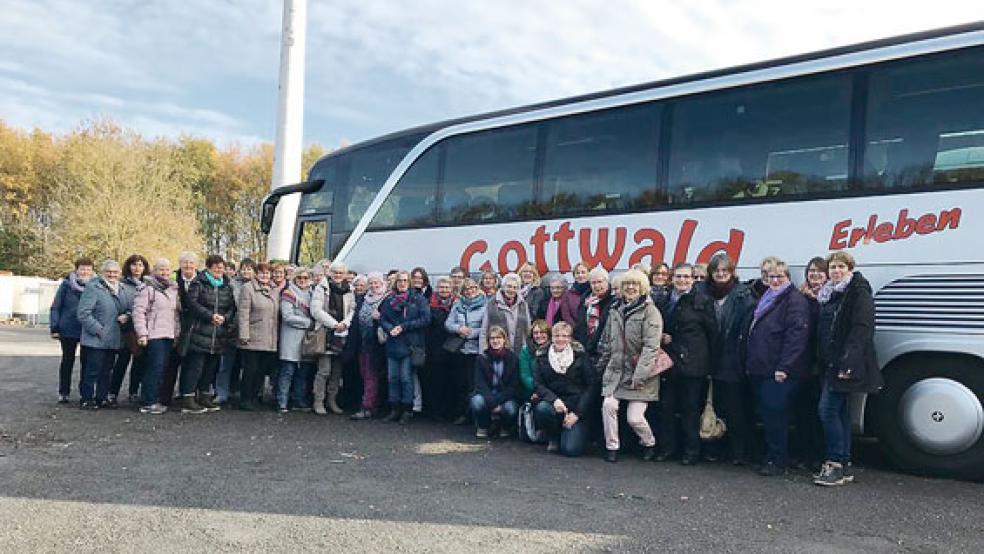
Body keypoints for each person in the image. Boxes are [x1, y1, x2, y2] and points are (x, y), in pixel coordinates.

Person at [814, 251, 882, 486]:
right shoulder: (832, 294)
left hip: (843, 363)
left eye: (841, 267)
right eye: (833, 267)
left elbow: (861, 330)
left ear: (850, 269)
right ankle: (843, 463)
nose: (836, 271)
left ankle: (834, 463)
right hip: (829, 362)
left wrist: (848, 363)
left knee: (827, 411)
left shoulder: (858, 293)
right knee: (840, 411)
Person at [744, 258, 810, 476]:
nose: (774, 280)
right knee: (768, 414)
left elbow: (797, 336)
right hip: (762, 367)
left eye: (779, 276)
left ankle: (777, 460)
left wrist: (784, 366)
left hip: (778, 370)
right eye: (771, 277)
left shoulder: (793, 300)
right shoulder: (769, 296)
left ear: (788, 278)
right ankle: (772, 456)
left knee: (776, 416)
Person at [596, 269, 662, 462]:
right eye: (627, 284)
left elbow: (651, 347)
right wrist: (601, 366)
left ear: (642, 287)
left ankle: (649, 442)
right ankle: (612, 447)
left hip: (641, 373)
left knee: (634, 418)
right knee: (608, 405)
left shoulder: (651, 311)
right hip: (616, 371)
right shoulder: (614, 310)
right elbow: (608, 342)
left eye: (635, 284)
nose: (630, 288)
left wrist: (640, 375)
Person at [658, 263, 718, 465]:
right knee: (666, 407)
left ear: (693, 279)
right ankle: (668, 449)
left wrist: (708, 364)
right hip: (668, 362)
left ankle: (691, 452)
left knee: (689, 409)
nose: (682, 280)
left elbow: (712, 334)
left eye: (686, 277)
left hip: (692, 363)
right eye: (678, 276)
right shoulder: (665, 300)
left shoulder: (702, 301)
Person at [705, 253, 756, 465]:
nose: (721, 274)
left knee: (736, 409)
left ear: (732, 272)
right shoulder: (703, 293)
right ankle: (715, 448)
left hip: (733, 359)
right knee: (714, 407)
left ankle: (739, 452)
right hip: (710, 358)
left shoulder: (743, 295)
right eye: (717, 271)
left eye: (725, 271)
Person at [180, 255, 237, 414]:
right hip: (200, 330)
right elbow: (192, 303)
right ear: (208, 268)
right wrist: (209, 316)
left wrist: (225, 318)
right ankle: (188, 397)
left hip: (218, 333)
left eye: (221, 267)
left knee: (211, 367)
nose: (219, 270)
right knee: (195, 366)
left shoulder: (227, 285)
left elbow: (232, 307)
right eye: (216, 267)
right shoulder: (198, 283)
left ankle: (204, 395)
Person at [534, 321, 595, 456]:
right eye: (557, 336)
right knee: (542, 409)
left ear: (570, 338)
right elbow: (538, 384)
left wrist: (577, 414)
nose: (561, 339)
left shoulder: (580, 356)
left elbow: (591, 386)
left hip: (576, 406)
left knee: (571, 450)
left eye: (565, 336)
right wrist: (554, 400)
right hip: (554, 403)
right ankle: (553, 435)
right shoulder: (542, 356)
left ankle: (570, 432)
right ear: (552, 337)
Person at [379, 270, 431, 424]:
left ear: (409, 282)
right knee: (392, 378)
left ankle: (407, 410)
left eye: (405, 281)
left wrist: (404, 326)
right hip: (393, 343)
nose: (402, 283)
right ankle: (394, 408)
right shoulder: (389, 300)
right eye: (399, 281)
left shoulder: (418, 299)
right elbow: (383, 318)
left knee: (406, 379)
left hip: (410, 344)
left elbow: (426, 319)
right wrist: (390, 328)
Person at [793, 256, 829, 470]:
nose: (814, 275)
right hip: (801, 362)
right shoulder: (799, 297)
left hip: (820, 362)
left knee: (820, 413)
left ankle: (820, 455)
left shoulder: (829, 297)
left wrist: (815, 301)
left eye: (819, 272)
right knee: (802, 412)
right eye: (811, 271)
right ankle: (804, 455)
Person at [131, 258, 180, 415]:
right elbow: (138, 312)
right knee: (154, 367)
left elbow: (175, 314)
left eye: (167, 270)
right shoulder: (147, 288)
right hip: (153, 335)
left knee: (162, 368)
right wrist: (142, 333)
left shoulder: (173, 289)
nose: (164, 273)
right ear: (154, 271)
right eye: (161, 269)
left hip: (169, 334)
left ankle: (156, 398)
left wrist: (177, 333)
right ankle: (148, 401)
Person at [77, 260, 126, 409]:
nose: (112, 274)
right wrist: (98, 330)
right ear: (102, 272)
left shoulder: (122, 289)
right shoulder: (93, 288)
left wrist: (127, 316)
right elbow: (83, 313)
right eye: (108, 272)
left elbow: (128, 308)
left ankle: (102, 397)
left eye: (115, 272)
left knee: (107, 371)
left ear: (120, 274)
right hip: (95, 339)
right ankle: (86, 398)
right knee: (92, 370)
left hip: (113, 338)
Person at [311, 260, 356, 415]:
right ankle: (318, 401)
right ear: (330, 273)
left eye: (341, 273)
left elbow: (352, 309)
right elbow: (316, 310)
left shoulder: (350, 289)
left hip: (342, 333)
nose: (338, 275)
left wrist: (344, 323)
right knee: (324, 370)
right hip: (326, 333)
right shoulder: (321, 287)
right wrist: (334, 324)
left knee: (337, 371)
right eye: (335, 272)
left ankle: (332, 400)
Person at [236, 262, 279, 412]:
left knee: (261, 370)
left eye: (267, 273)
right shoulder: (247, 289)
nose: (264, 276)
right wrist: (244, 334)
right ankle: (245, 399)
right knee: (250, 370)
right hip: (252, 335)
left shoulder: (275, 290)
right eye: (261, 273)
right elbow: (243, 313)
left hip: (268, 337)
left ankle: (254, 397)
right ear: (256, 274)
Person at [50, 257, 94, 403]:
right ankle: (64, 392)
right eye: (82, 268)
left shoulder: (96, 285)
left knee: (87, 363)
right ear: (76, 270)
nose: (85, 271)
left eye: (88, 268)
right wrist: (54, 327)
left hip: (87, 329)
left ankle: (85, 394)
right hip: (68, 328)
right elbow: (56, 306)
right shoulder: (66, 285)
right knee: (67, 361)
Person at [444, 278, 487, 425]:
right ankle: (462, 413)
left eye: (473, 288)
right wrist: (458, 329)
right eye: (467, 289)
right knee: (460, 384)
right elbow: (448, 323)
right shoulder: (458, 304)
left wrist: (472, 332)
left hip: (475, 350)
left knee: (474, 384)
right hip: (460, 349)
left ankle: (474, 415)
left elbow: (487, 327)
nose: (470, 291)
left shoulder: (485, 304)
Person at [108, 253, 149, 407]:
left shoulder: (148, 284)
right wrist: (127, 314)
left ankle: (133, 392)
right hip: (126, 329)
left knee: (139, 362)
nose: (137, 268)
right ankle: (113, 392)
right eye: (134, 264)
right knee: (122, 362)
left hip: (141, 328)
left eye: (140, 265)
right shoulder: (122, 284)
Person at [161, 251, 199, 406]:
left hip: (196, 327)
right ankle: (165, 397)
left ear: (196, 265)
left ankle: (187, 394)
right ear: (180, 264)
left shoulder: (202, 280)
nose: (188, 266)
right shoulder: (172, 280)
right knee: (171, 363)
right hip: (175, 325)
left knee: (192, 364)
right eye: (185, 262)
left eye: (191, 263)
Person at [349, 272, 387, 420]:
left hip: (377, 344)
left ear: (382, 283)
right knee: (365, 374)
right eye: (371, 283)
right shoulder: (363, 299)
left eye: (377, 283)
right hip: (362, 343)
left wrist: (380, 317)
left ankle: (367, 407)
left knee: (372, 375)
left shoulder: (386, 299)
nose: (374, 285)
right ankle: (373, 403)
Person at [470, 325, 521, 438]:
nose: (495, 341)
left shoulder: (513, 358)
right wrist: (492, 402)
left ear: (504, 339)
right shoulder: (482, 358)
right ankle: (483, 426)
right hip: (487, 394)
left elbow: (513, 386)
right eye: (492, 338)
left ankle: (505, 427)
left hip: (505, 395)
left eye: (498, 338)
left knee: (510, 409)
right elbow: (479, 383)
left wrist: (497, 401)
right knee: (476, 401)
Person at [278, 267, 316, 413]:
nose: (303, 280)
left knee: (303, 372)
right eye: (300, 278)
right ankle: (282, 401)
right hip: (291, 337)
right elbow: (287, 316)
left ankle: (298, 401)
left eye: (306, 278)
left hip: (307, 340)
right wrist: (308, 323)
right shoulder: (289, 293)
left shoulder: (313, 294)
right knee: (287, 371)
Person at [217, 258, 254, 405]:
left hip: (252, 331)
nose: (246, 271)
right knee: (225, 365)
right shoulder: (231, 285)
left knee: (249, 366)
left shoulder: (260, 285)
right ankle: (221, 393)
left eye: (249, 269)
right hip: (232, 328)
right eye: (244, 268)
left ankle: (246, 394)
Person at [423, 276, 457, 420]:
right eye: (441, 287)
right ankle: (435, 412)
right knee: (435, 381)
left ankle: (448, 411)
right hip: (435, 348)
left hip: (453, 349)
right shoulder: (430, 304)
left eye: (446, 287)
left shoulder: (457, 304)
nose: (444, 290)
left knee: (451, 382)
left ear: (451, 289)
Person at [479, 273, 531, 354]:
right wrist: (482, 352)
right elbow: (484, 330)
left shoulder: (523, 304)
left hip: (520, 350)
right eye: (509, 286)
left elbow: (528, 329)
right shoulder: (492, 303)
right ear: (503, 287)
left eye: (515, 287)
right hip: (498, 351)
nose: (512, 290)